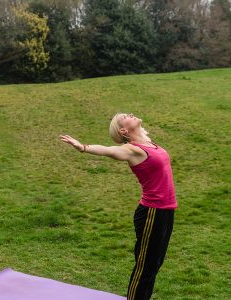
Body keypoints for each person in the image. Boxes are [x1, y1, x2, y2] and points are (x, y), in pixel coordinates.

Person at [59, 112, 178, 300]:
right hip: (151, 213)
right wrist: (83, 147)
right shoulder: (132, 150)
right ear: (123, 130)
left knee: (154, 264)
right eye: (125, 116)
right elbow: (109, 150)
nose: (131, 114)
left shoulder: (149, 144)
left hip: (166, 211)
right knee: (145, 267)